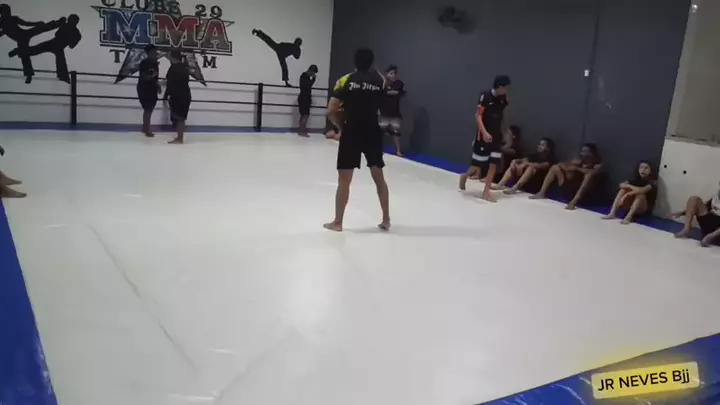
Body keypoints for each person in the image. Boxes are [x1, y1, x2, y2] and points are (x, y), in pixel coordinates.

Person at [324, 48, 389, 232]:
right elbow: (384, 104)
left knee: (344, 180)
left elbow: (331, 110)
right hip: (372, 132)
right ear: (372, 62)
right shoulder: (380, 81)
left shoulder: (345, 80)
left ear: (354, 61)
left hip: (351, 131)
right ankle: (386, 219)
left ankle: (338, 223)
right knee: (379, 177)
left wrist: (340, 127)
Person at [458, 75, 511, 202]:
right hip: (483, 135)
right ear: (499, 86)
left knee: (493, 164)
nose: (507, 90)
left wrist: (506, 131)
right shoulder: (485, 97)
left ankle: (486, 192)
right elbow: (478, 116)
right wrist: (484, 133)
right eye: (505, 87)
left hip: (496, 135)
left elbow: (502, 115)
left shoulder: (503, 99)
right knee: (478, 165)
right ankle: (465, 176)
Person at [7, 14, 81, 83]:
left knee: (36, 50)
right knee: (36, 50)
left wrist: (63, 27)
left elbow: (60, 36)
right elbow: (70, 45)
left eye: (70, 20)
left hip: (54, 44)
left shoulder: (73, 31)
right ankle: (63, 78)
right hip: (55, 45)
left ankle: (63, 78)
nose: (69, 22)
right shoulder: (75, 32)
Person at [0, 4, 62, 83]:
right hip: (21, 40)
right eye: (5, 12)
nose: (8, 14)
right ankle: (27, 71)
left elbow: (26, 23)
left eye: (8, 12)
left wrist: (37, 23)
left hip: (23, 35)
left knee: (39, 29)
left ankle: (57, 23)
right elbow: (4, 32)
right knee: (24, 55)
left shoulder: (13, 19)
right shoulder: (2, 23)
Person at [530, 143, 603, 210]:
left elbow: (593, 172)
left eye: (584, 151)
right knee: (555, 167)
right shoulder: (578, 162)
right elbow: (567, 168)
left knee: (588, 176)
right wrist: (571, 166)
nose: (582, 153)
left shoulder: (597, 165)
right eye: (581, 151)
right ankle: (542, 193)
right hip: (570, 188)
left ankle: (574, 201)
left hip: (584, 193)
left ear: (591, 154)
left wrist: (577, 168)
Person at [165, 50, 191, 144]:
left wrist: (165, 89)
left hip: (178, 95)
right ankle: (180, 136)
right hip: (185, 94)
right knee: (181, 117)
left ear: (172, 57)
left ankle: (180, 138)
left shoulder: (174, 68)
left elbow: (170, 82)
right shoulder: (184, 67)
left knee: (179, 117)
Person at [379, 65, 405, 156]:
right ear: (386, 74)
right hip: (384, 113)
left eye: (394, 73)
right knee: (380, 132)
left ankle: (398, 151)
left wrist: (393, 92)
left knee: (396, 132)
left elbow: (398, 92)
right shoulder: (381, 84)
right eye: (391, 73)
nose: (393, 75)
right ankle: (378, 149)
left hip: (395, 113)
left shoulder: (399, 83)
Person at [137, 45, 161, 137]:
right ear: (149, 52)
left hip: (152, 88)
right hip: (144, 88)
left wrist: (157, 85)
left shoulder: (155, 63)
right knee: (148, 109)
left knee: (149, 109)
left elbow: (155, 77)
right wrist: (152, 76)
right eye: (154, 51)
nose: (156, 53)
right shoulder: (144, 63)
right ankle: (147, 129)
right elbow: (144, 77)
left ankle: (145, 127)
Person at [297, 64, 318, 137]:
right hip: (304, 97)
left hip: (304, 97)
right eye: (313, 72)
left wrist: (313, 79)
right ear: (310, 70)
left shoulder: (305, 76)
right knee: (305, 115)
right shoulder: (304, 76)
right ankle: (302, 131)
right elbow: (307, 86)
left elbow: (308, 86)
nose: (313, 74)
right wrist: (313, 79)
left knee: (303, 115)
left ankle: (301, 131)